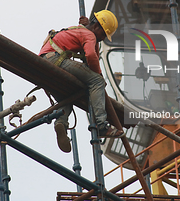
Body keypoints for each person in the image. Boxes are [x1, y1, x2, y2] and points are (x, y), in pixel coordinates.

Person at [39, 10, 124, 153]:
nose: (102, 39)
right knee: (96, 81)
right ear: (96, 27)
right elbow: (91, 55)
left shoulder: (81, 31)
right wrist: (99, 76)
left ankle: (61, 122)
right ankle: (101, 125)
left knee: (66, 98)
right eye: (103, 34)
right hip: (55, 59)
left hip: (45, 61)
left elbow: (91, 54)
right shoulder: (89, 35)